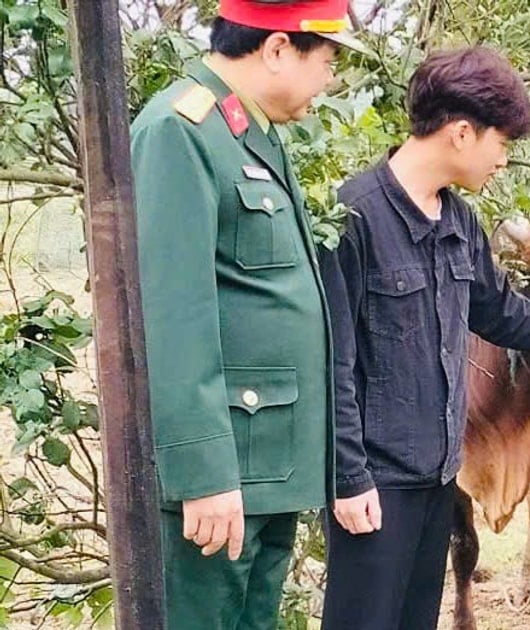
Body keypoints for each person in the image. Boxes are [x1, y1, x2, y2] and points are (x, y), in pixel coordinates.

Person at [317, 46, 530, 630]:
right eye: (503, 143)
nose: (503, 160)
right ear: (462, 133)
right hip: (374, 486)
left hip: (439, 472)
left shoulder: (459, 222)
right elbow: (333, 362)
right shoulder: (354, 217)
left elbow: (499, 313)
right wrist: (348, 479)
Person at [130, 1, 365, 628]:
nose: (330, 80)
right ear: (279, 50)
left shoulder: (246, 133)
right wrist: (204, 473)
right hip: (225, 469)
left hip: (266, 465)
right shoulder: (181, 130)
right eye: (327, 61)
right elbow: (173, 314)